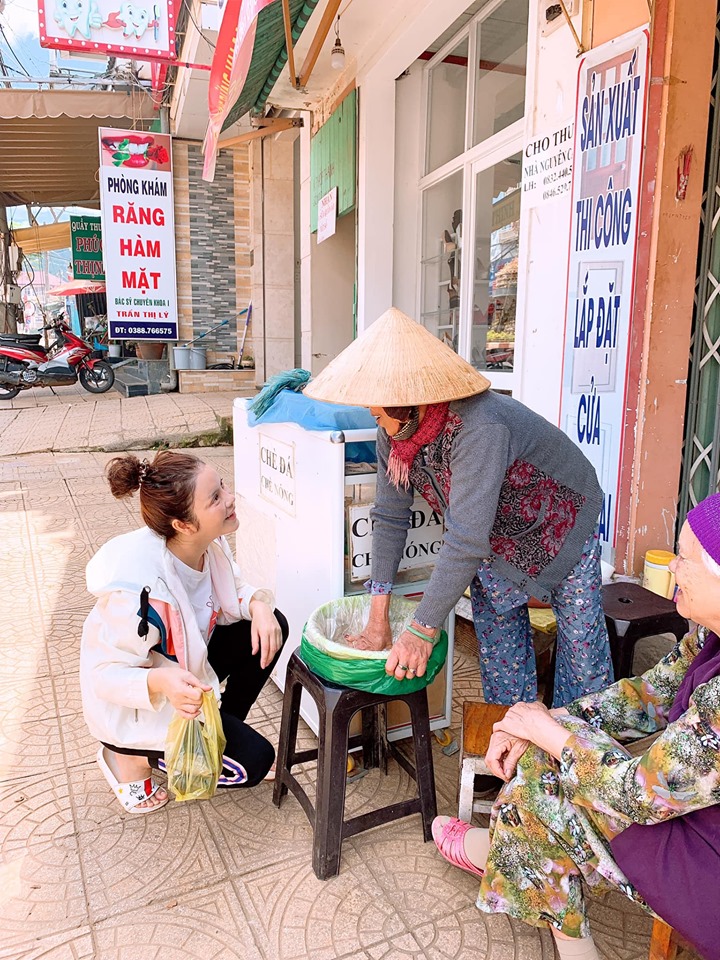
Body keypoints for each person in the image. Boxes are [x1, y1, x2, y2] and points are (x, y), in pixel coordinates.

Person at [431, 492, 720, 960]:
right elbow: (648, 696)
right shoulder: (711, 636)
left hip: (706, 867)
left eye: (684, 559)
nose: (672, 570)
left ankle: (498, 852)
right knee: (549, 763)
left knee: (541, 789)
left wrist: (547, 733)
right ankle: (502, 850)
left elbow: (638, 796)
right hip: (689, 815)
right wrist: (543, 721)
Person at [304, 307, 612, 707]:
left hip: (560, 523)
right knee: (500, 651)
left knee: (581, 652)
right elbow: (390, 515)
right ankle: (512, 738)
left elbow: (466, 539)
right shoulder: (395, 432)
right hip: (490, 531)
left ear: (408, 402)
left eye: (379, 411)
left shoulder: (479, 426)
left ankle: (582, 745)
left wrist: (421, 629)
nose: (373, 418)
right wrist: (376, 617)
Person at [80, 450, 288, 814]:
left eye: (222, 486)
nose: (230, 498)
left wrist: (258, 604)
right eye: (216, 498)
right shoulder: (138, 594)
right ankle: (129, 758)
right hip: (140, 704)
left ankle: (221, 732)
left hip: (185, 673)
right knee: (253, 763)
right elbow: (103, 676)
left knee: (273, 625)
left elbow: (232, 591)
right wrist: (161, 683)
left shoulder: (207, 545)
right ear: (184, 525)